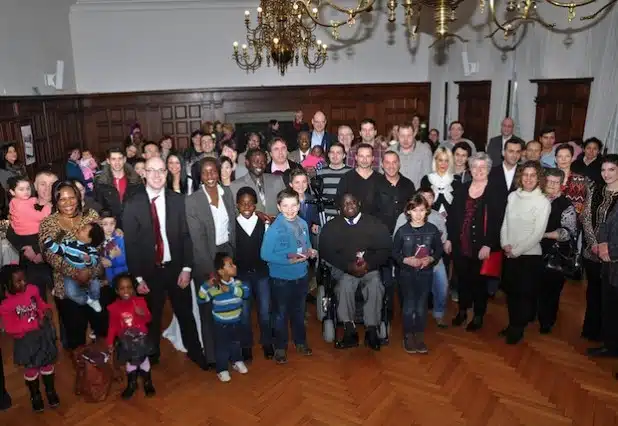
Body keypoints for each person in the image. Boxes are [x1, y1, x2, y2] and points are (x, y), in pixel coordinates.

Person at [122, 157, 206, 368]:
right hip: (150, 272)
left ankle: (196, 352)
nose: (157, 175)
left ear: (167, 174)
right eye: (152, 171)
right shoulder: (133, 204)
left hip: (177, 269)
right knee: (152, 317)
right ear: (144, 174)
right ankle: (153, 354)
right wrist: (138, 277)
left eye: (161, 170)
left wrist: (187, 268)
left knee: (186, 314)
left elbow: (188, 237)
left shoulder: (179, 200)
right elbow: (130, 244)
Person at [319, 193, 391, 351]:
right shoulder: (331, 227)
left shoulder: (374, 223)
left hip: (369, 268)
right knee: (344, 285)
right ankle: (349, 331)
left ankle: (372, 330)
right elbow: (326, 252)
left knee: (375, 284)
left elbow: (385, 248)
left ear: (358, 203)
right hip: (345, 269)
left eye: (352, 202)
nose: (349, 206)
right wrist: (348, 266)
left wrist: (369, 264)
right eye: (345, 204)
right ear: (339, 208)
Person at [39, 181, 106, 350]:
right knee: (76, 337)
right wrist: (76, 273)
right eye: (62, 199)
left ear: (78, 196)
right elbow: (50, 255)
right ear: (55, 201)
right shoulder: (49, 223)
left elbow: (99, 246)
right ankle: (82, 371)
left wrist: (88, 272)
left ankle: (105, 369)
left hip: (94, 280)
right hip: (66, 285)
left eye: (72, 197)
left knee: (102, 330)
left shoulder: (90, 216)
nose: (68, 203)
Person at [186, 157, 237, 364]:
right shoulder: (192, 201)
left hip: (226, 255)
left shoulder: (228, 194)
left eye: (213, 171)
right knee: (208, 311)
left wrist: (231, 262)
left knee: (229, 308)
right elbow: (197, 241)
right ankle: (213, 357)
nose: (210, 176)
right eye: (205, 172)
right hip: (205, 258)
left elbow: (232, 229)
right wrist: (211, 272)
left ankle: (231, 353)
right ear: (200, 175)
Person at [261, 188, 317, 364]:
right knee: (280, 314)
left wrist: (310, 251)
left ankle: (300, 342)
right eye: (285, 206)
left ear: (299, 205)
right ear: (279, 207)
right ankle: (280, 347)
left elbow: (305, 244)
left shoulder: (302, 223)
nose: (290, 209)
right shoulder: (274, 229)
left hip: (301, 276)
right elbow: (265, 255)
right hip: (281, 279)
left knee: (299, 312)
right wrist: (288, 260)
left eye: (294, 205)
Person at [447, 152, 502, 331]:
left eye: (482, 167)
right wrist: (449, 238)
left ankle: (478, 315)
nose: (478, 170)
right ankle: (462, 311)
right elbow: (453, 216)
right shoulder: (462, 188)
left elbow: (498, 221)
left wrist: (489, 244)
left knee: (479, 283)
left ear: (488, 169)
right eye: (474, 167)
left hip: (482, 246)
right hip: (461, 243)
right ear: (469, 169)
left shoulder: (495, 190)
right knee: (462, 280)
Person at [499, 161, 550, 344]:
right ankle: (513, 323)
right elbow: (505, 222)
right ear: (520, 177)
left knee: (523, 295)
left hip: (529, 256)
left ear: (539, 179)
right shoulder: (513, 196)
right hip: (510, 253)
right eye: (525, 175)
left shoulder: (543, 201)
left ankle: (518, 329)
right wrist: (504, 243)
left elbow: (537, 234)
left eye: (533, 175)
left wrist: (517, 250)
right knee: (511, 293)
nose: (528, 178)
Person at [0, 264, 59, 412]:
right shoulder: (5, 305)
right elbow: (10, 328)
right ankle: (35, 395)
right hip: (25, 341)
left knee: (47, 364)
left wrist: (46, 310)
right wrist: (32, 325)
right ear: (7, 285)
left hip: (41, 335)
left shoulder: (32, 289)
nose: (23, 283)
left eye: (24, 279)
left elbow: (40, 303)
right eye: (18, 281)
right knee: (31, 369)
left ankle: (50, 391)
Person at [393, 194, 443, 354]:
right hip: (406, 274)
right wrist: (406, 260)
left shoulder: (432, 230)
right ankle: (408, 335)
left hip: (425, 273)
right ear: (408, 212)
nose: (418, 214)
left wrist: (431, 258)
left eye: (422, 210)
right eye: (414, 210)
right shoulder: (402, 231)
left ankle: (419, 335)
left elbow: (439, 250)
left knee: (421, 306)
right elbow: (394, 252)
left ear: (427, 211)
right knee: (408, 306)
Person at [583, 155, 618, 355]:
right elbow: (586, 217)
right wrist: (594, 244)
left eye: (611, 170)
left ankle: (609, 338)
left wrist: (606, 249)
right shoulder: (596, 189)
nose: (606, 174)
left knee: (610, 299)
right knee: (594, 293)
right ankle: (593, 331)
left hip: (613, 256)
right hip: (592, 250)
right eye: (604, 170)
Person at [198, 253, 250, 382]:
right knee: (221, 347)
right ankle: (222, 369)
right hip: (220, 324)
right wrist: (205, 286)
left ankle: (236, 361)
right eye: (230, 265)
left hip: (236, 321)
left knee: (236, 343)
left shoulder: (238, 283)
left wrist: (231, 290)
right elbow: (201, 299)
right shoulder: (215, 288)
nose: (234, 266)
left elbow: (246, 293)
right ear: (221, 271)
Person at [235, 187, 272, 360]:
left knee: (265, 311)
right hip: (242, 275)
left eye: (250, 203)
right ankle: (246, 345)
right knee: (244, 313)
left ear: (255, 204)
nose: (247, 206)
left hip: (262, 273)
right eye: (243, 203)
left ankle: (267, 342)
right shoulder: (233, 225)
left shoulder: (263, 223)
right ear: (237, 205)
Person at [539, 168, 577, 334]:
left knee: (551, 291)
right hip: (534, 251)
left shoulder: (566, 205)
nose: (552, 185)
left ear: (562, 184)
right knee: (535, 286)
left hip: (555, 256)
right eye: (549, 181)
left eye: (556, 182)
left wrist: (543, 234)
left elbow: (567, 233)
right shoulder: (537, 199)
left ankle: (547, 321)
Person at [106, 273, 156, 399]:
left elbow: (149, 319)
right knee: (130, 363)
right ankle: (132, 384)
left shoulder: (140, 302)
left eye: (129, 287)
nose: (126, 291)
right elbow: (112, 326)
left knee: (144, 360)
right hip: (126, 341)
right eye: (122, 288)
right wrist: (110, 342)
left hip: (141, 340)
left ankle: (147, 382)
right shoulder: (114, 308)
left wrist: (142, 313)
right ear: (117, 291)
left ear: (133, 289)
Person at [43, 222, 105, 312]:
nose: (80, 228)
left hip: (87, 273)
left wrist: (89, 260)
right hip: (70, 274)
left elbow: (95, 262)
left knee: (96, 285)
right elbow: (59, 250)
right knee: (70, 292)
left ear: (89, 239)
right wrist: (49, 243)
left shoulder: (91, 250)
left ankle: (94, 299)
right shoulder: (69, 243)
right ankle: (87, 300)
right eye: (82, 227)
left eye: (83, 229)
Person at [94, 147, 144, 227]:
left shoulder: (135, 180)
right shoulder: (100, 182)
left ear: (124, 159)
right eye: (113, 159)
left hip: (133, 224)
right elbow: (99, 205)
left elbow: (141, 204)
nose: (117, 162)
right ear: (108, 161)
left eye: (120, 158)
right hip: (112, 226)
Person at [230, 148, 285, 218]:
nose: (260, 164)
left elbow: (287, 204)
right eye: (256, 161)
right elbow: (234, 213)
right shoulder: (235, 186)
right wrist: (253, 215)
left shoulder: (277, 180)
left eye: (263, 162)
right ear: (247, 163)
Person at [8, 176, 51, 257]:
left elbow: (30, 201)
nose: (26, 192)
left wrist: (35, 199)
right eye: (21, 189)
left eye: (28, 188)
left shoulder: (14, 201)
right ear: (12, 192)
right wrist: (47, 206)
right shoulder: (22, 206)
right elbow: (40, 217)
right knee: (37, 254)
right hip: (31, 234)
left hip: (20, 232)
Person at [336, 143, 383, 214]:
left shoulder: (380, 179)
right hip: (352, 222)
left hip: (375, 222)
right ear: (356, 157)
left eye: (368, 156)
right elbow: (339, 203)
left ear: (373, 158)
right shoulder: (346, 177)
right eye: (361, 156)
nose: (364, 160)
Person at [99, 210, 128, 284]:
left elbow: (125, 258)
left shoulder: (119, 238)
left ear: (115, 223)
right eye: (105, 224)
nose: (109, 227)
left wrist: (111, 263)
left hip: (121, 276)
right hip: (109, 277)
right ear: (100, 224)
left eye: (112, 223)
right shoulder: (99, 239)